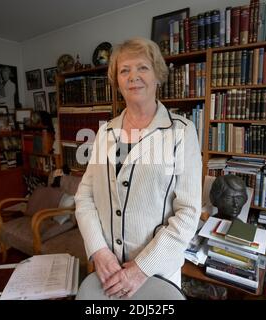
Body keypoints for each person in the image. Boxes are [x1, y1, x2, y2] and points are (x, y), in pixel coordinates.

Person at [74, 37, 202, 299]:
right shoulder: (106, 133)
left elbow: (188, 212)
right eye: (124, 70)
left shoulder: (181, 131)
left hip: (156, 276)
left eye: (142, 67)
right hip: (107, 272)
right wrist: (98, 250)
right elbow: (84, 197)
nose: (133, 76)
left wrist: (142, 268)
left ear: (157, 75)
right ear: (117, 82)